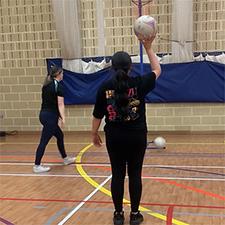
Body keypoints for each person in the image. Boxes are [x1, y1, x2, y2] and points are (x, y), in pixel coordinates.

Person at [92, 34, 161, 225]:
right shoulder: (139, 83)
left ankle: (118, 214)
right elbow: (157, 69)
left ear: (112, 67)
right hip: (137, 135)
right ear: (130, 67)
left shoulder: (104, 87)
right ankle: (135, 214)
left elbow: (98, 115)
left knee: (118, 173)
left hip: (114, 136)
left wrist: (94, 134)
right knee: (135, 174)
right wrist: (148, 47)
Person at [33, 66, 76, 173]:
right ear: (59, 73)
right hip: (50, 117)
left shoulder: (46, 85)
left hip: (43, 114)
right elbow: (60, 104)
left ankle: (65, 158)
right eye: (62, 73)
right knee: (44, 141)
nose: (63, 75)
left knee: (60, 135)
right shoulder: (58, 87)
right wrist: (63, 118)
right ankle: (37, 165)